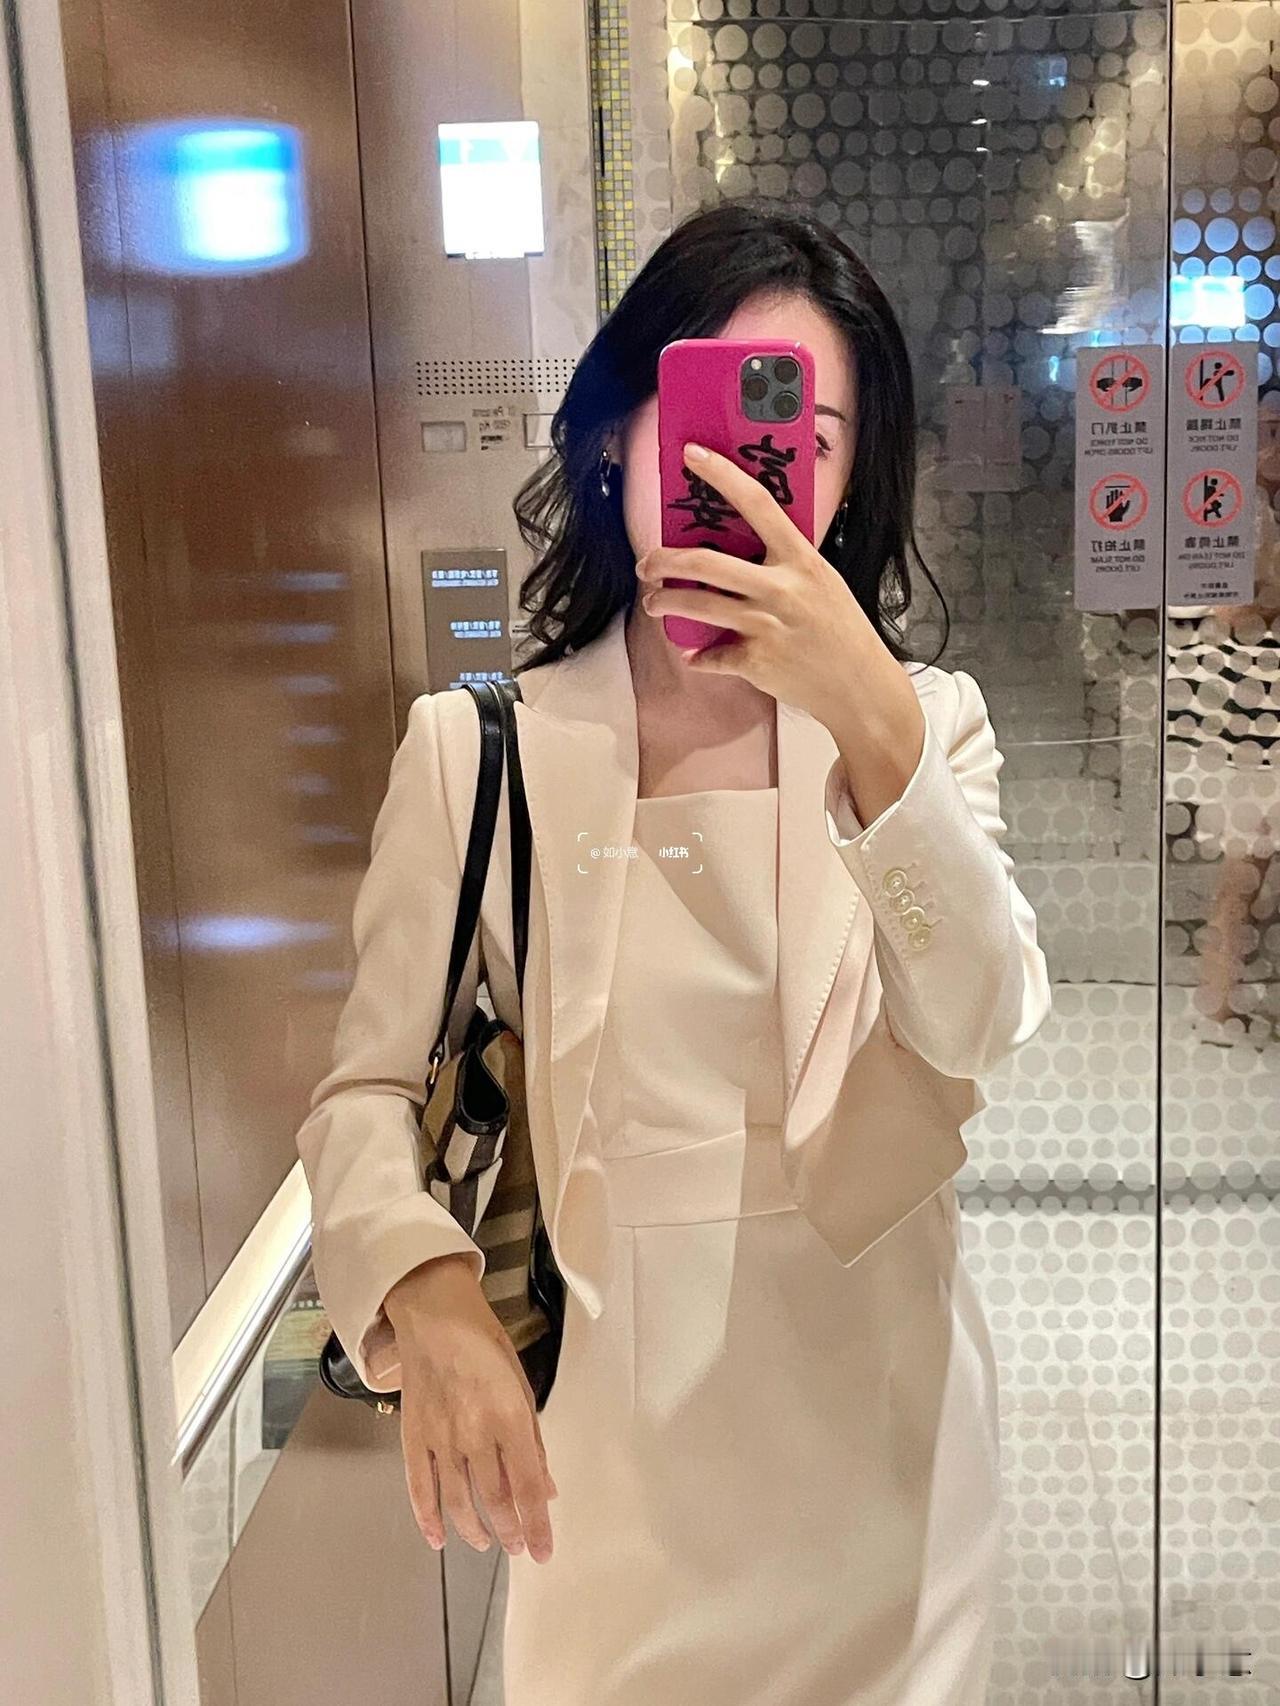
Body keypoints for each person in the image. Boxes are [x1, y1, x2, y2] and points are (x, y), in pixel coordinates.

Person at [295, 199, 1053, 1705]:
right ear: (619, 435)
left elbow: (980, 1022)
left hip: (886, 1483)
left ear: (851, 478)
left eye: (807, 439)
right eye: (712, 416)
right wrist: (427, 1293)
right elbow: (360, 1097)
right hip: (609, 1497)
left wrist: (866, 711)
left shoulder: (927, 728)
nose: (750, 475)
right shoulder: (478, 753)